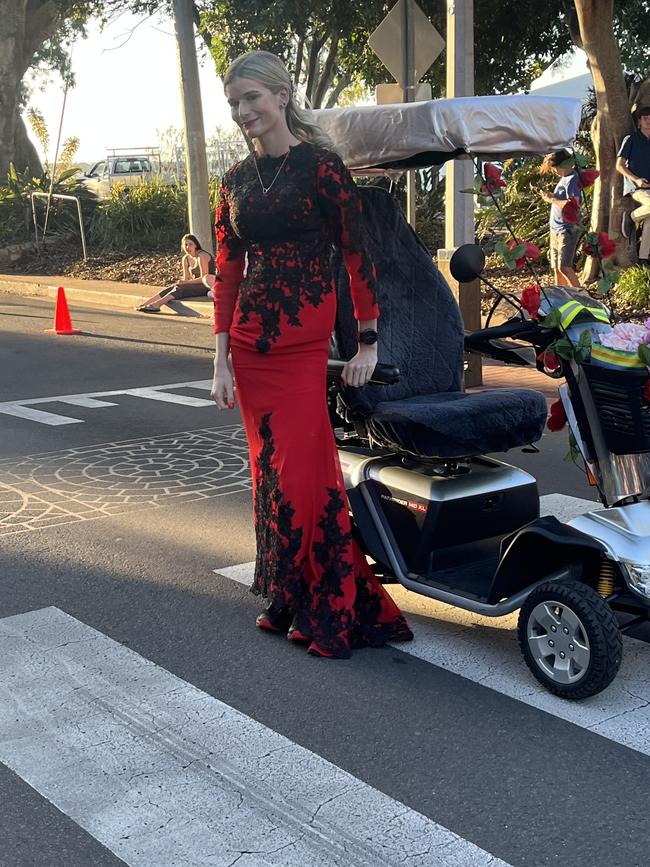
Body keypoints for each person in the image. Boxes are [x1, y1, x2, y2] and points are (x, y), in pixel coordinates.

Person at [210, 50, 413, 658]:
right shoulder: (235, 181)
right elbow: (225, 271)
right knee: (268, 473)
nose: (244, 112)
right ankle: (291, 594)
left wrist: (368, 342)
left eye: (252, 98)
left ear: (281, 95)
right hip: (248, 346)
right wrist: (218, 357)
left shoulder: (322, 169)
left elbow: (358, 257)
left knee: (302, 472)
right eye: (235, 103)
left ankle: (328, 603)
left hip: (301, 342)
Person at [137, 234, 216, 313]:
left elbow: (204, 278)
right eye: (185, 245)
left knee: (180, 289)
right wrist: (182, 282)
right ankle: (145, 304)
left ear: (196, 245)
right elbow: (186, 278)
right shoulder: (186, 259)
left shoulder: (201, 256)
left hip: (206, 286)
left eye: (190, 244)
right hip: (195, 285)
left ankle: (157, 305)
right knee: (172, 287)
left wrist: (185, 283)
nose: (187, 247)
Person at [539, 149, 582, 287]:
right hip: (555, 228)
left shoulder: (573, 179)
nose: (554, 172)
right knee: (557, 268)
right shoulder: (564, 179)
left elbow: (573, 205)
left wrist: (552, 199)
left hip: (567, 228)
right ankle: (562, 297)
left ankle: (582, 297)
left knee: (565, 267)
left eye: (555, 168)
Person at [616, 104, 650, 267]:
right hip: (636, 187)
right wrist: (636, 180)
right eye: (645, 119)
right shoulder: (631, 139)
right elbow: (619, 165)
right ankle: (631, 218)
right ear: (639, 121)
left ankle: (644, 257)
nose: (648, 121)